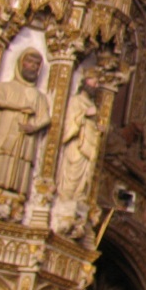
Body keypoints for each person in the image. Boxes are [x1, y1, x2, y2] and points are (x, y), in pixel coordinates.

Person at [0, 49, 51, 195]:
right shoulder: (6, 87)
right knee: (1, 156)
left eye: (37, 64)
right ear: (21, 63)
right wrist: (19, 107)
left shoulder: (38, 96)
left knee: (21, 161)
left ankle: (17, 193)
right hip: (6, 129)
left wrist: (34, 127)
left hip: (24, 135)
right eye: (29, 62)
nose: (33, 67)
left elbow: (45, 117)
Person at [56, 76, 100, 204]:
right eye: (94, 81)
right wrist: (84, 114)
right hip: (77, 144)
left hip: (88, 145)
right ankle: (66, 200)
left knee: (84, 176)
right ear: (84, 82)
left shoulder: (92, 105)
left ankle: (76, 198)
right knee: (72, 172)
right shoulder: (76, 101)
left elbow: (92, 127)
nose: (96, 86)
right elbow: (69, 123)